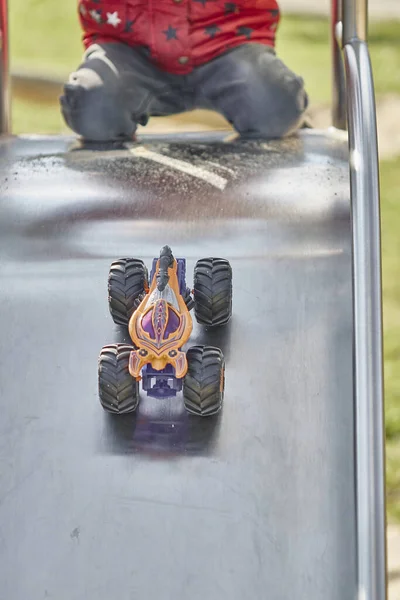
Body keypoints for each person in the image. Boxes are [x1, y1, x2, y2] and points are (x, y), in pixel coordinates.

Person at [60, 1, 308, 142]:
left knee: (274, 106)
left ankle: (281, 107)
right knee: (93, 108)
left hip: (227, 41)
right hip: (129, 49)